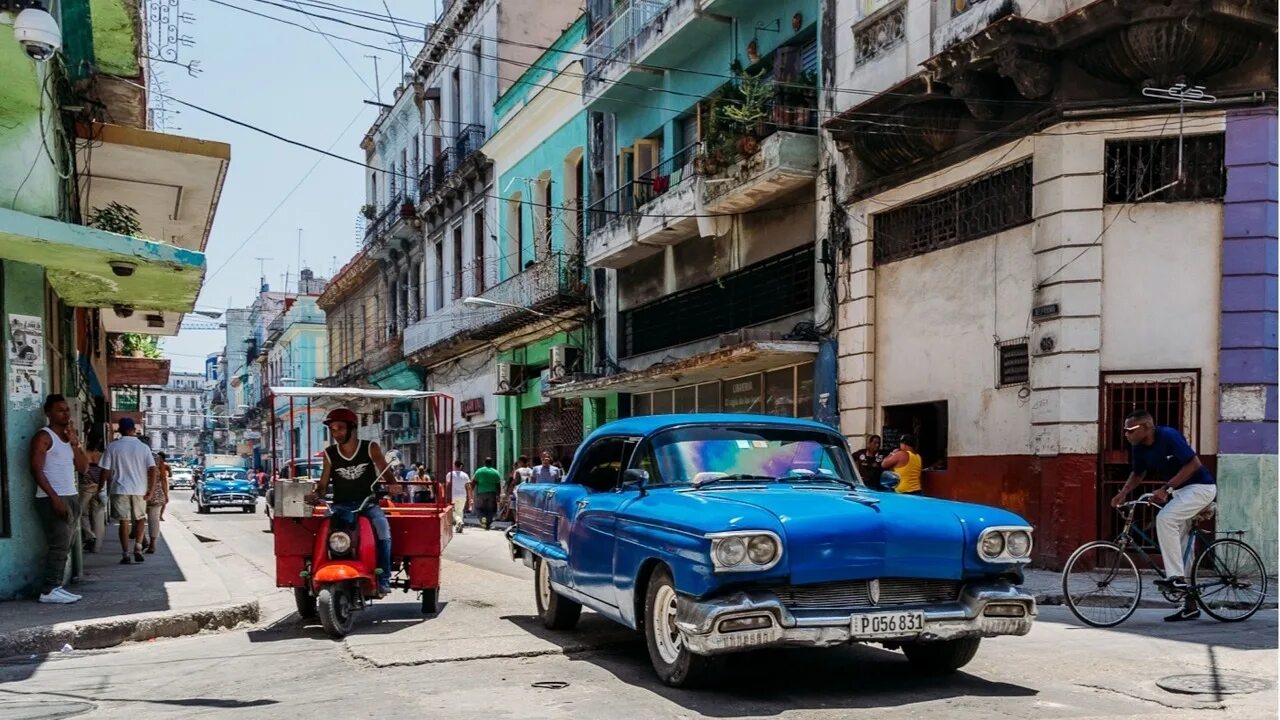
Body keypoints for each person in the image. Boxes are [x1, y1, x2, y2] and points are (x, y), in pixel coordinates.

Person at [1110, 409, 1217, 622]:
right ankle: (1191, 605)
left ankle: (1175, 578)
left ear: (1147, 427)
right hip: (1180, 493)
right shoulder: (1138, 447)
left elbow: (1194, 464)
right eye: (1125, 430)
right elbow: (1138, 473)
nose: (1126, 434)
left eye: (1130, 430)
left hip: (1200, 488)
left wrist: (1165, 489)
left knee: (1165, 518)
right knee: (1182, 546)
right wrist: (1123, 493)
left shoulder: (1168, 435)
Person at [306, 408, 396, 596]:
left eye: (340, 428)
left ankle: (384, 578)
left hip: (367, 504)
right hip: (340, 505)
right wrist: (316, 493)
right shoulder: (330, 453)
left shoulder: (370, 447)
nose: (336, 433)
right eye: (332, 429)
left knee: (383, 530)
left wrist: (393, 484)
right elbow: (323, 484)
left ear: (352, 428)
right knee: (320, 529)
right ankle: (312, 574)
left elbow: (385, 471)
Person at [31, 394, 89, 604]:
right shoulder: (44, 437)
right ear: (48, 413)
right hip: (51, 498)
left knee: (67, 545)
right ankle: (48, 590)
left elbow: (83, 468)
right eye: (60, 410)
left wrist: (75, 444)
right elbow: (36, 470)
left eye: (67, 410)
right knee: (59, 545)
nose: (65, 413)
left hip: (70, 495)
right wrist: (54, 498)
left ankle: (56, 586)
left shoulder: (67, 439)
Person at [100, 417, 157, 565]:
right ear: (134, 430)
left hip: (119, 488)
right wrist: (150, 490)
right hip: (139, 489)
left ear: (119, 430)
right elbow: (153, 469)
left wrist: (101, 488)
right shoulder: (143, 448)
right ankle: (138, 547)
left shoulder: (113, 447)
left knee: (123, 521)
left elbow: (105, 471)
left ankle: (125, 553)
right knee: (140, 519)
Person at [79, 444, 107, 554]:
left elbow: (81, 469)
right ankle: (97, 547)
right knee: (98, 516)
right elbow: (107, 472)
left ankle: (90, 535)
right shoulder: (103, 456)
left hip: (86, 487)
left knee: (81, 513)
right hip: (100, 487)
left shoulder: (84, 453)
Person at [145, 452, 171, 554]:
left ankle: (142, 540)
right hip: (156, 493)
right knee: (154, 519)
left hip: (138, 491)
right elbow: (163, 478)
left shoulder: (134, 455)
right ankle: (152, 544)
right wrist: (165, 494)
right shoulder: (157, 458)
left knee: (139, 518)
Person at [471, 457, 502, 530]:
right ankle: (488, 524)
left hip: (481, 493)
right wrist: (498, 495)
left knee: (479, 508)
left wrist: (470, 492)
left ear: (484, 462)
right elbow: (498, 485)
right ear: (491, 463)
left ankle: (482, 518)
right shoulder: (495, 472)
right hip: (492, 493)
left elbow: (473, 483)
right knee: (491, 510)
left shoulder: (479, 471)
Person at [445, 460, 470, 532]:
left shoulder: (450, 474)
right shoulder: (465, 475)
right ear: (461, 466)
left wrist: (446, 494)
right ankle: (458, 527)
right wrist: (470, 497)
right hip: (463, 495)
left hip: (453, 495)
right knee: (460, 511)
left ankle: (459, 521)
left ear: (454, 465)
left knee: (453, 511)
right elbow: (468, 486)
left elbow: (447, 485)